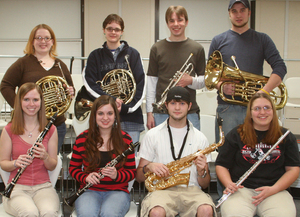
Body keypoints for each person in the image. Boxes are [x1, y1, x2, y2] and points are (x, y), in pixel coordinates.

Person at [208, 0, 287, 197]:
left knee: (257, 154)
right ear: (229, 14)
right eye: (234, 11)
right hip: (229, 108)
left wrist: (264, 92)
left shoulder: (262, 39)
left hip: (258, 109)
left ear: (249, 13)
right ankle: (226, 200)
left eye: (242, 10)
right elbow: (210, 75)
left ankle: (257, 196)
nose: (238, 14)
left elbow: (280, 67)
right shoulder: (219, 40)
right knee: (226, 156)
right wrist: (221, 86)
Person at [215, 92, 300, 217]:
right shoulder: (236, 134)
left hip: (276, 190)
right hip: (241, 190)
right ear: (250, 112)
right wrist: (228, 183)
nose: (262, 112)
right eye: (257, 109)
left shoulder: (286, 136)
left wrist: (274, 189)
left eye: (266, 108)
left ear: (273, 110)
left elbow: (293, 169)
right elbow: (221, 165)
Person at [137, 86, 216, 217]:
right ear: (166, 105)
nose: (177, 108)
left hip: (192, 190)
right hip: (160, 191)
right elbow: (139, 177)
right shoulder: (152, 135)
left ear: (189, 106)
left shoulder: (201, 137)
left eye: (182, 103)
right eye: (173, 103)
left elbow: (205, 184)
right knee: (156, 212)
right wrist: (148, 167)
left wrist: (202, 172)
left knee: (207, 210)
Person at [0, 23, 75, 154]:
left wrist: (70, 92)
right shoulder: (23, 63)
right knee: (27, 163)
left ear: (52, 41)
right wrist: (19, 107)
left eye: (47, 38)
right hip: (27, 125)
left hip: (55, 124)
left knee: (51, 164)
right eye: (38, 38)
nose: (43, 41)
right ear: (32, 41)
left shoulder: (60, 65)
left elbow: (69, 88)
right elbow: (5, 85)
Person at [77, 13, 145, 144]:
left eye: (117, 29)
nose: (113, 32)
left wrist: (126, 107)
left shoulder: (133, 54)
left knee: (128, 158)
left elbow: (141, 85)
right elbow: (90, 84)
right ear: (104, 30)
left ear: (122, 32)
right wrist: (112, 101)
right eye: (109, 28)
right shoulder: (95, 56)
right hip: (103, 117)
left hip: (129, 117)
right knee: (101, 157)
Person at [69, 95, 136, 217]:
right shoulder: (82, 139)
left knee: (109, 214)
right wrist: (85, 177)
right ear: (94, 116)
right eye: (100, 113)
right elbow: (73, 169)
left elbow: (132, 172)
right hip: (89, 190)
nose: (105, 118)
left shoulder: (125, 139)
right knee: (87, 214)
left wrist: (116, 175)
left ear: (115, 115)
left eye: (110, 113)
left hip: (117, 192)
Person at [0, 82, 59, 216]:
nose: (31, 104)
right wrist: (15, 163)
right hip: (16, 188)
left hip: (44, 187)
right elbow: (3, 163)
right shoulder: (9, 130)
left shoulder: (51, 130)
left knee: (49, 212)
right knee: (29, 213)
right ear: (19, 102)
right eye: (26, 99)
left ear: (41, 102)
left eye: (35, 100)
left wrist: (45, 157)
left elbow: (52, 165)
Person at [146, 5, 206, 131]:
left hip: (190, 112)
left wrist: (191, 81)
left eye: (180, 20)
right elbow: (151, 83)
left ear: (186, 22)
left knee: (192, 150)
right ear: (167, 23)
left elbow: (204, 81)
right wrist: (149, 112)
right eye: (171, 21)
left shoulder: (197, 48)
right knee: (161, 150)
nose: (176, 24)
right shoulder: (157, 48)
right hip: (161, 112)